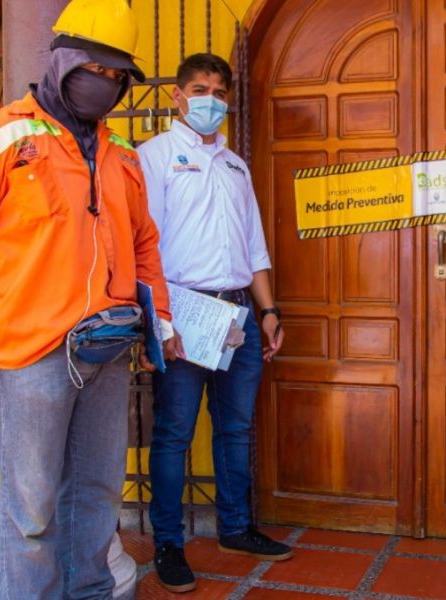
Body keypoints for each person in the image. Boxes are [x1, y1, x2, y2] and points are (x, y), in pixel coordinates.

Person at [0, 0, 183, 597]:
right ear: (63, 59)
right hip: (27, 359)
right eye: (98, 69)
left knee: (94, 497)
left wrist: (159, 317)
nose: (108, 85)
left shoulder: (122, 158)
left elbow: (145, 244)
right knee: (31, 512)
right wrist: (1, 301)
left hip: (107, 351)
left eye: (120, 77)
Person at [137, 52, 291, 593]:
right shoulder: (153, 157)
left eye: (220, 92)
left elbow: (254, 245)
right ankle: (168, 543)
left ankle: (235, 528)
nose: (211, 100)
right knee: (175, 434)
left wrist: (267, 311)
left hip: (239, 317)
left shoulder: (235, 164)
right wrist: (160, 323)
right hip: (185, 313)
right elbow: (144, 245)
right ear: (177, 97)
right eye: (200, 89)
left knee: (235, 429)